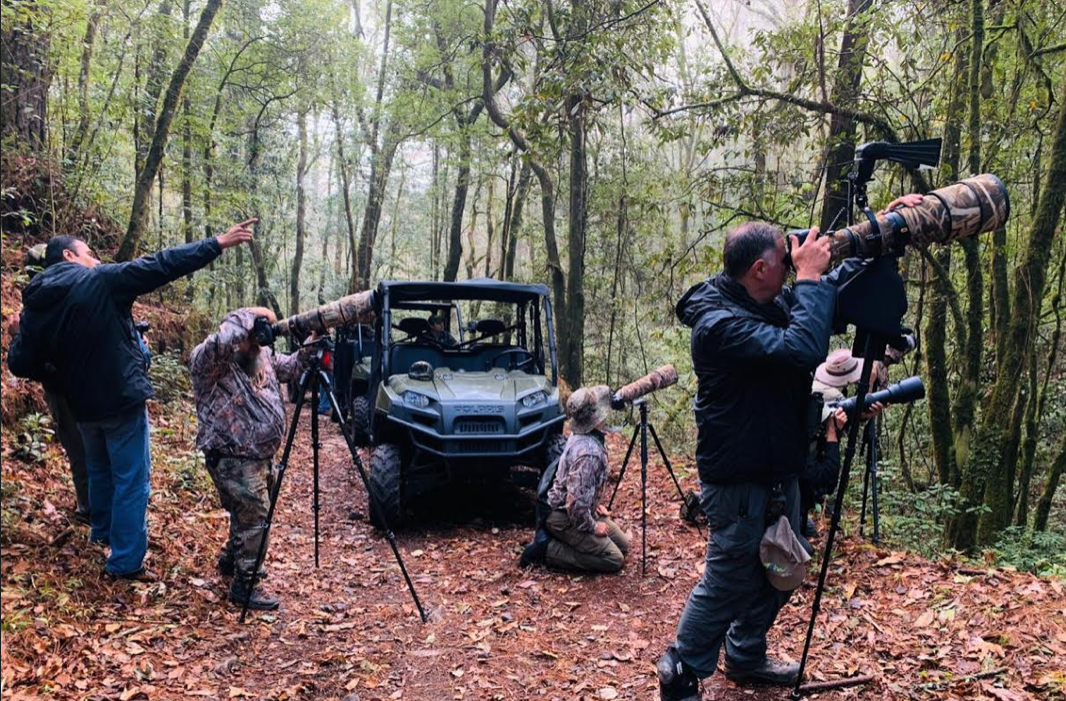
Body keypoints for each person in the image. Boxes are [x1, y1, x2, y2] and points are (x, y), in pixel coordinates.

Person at [7, 220, 256, 580]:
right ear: (68, 255)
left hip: (81, 405)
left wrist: (23, 339)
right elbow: (161, 264)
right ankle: (125, 562)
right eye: (89, 253)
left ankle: (103, 534)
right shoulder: (99, 280)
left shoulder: (36, 302)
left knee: (99, 471)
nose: (95, 258)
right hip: (120, 400)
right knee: (131, 480)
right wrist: (217, 243)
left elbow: (21, 362)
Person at [657, 221, 836, 699]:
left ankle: (745, 653)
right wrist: (812, 280)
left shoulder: (762, 300)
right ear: (760, 269)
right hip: (738, 476)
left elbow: (820, 306)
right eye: (785, 259)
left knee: (785, 567)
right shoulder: (718, 325)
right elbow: (802, 348)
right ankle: (681, 670)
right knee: (730, 579)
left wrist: (881, 240)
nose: (793, 265)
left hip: (780, 468)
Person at [189, 307, 318, 610]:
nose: (259, 341)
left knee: (247, 514)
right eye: (257, 333)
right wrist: (247, 320)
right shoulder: (211, 360)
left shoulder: (264, 357)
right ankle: (246, 587)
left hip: (260, 456)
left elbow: (294, 367)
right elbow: (218, 344)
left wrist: (315, 336)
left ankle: (232, 560)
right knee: (256, 517)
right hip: (232, 457)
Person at [520, 385, 631, 572]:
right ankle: (547, 550)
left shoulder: (582, 434)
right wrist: (592, 525)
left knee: (623, 544)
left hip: (574, 508)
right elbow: (575, 505)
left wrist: (594, 505)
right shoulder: (588, 454)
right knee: (613, 558)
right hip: (563, 514)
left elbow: (580, 487)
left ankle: (567, 540)